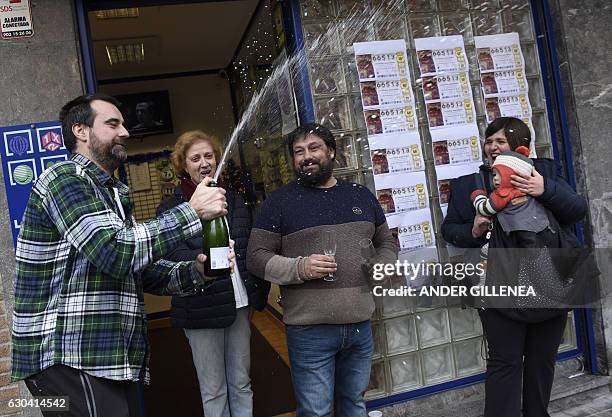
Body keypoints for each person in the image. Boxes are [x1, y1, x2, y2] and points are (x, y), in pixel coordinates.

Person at [11, 93, 230, 417]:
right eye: (112, 123)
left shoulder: (110, 193)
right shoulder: (64, 179)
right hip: (65, 354)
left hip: (100, 355)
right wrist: (192, 211)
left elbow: (137, 270)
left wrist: (199, 273)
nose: (125, 131)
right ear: (80, 131)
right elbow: (116, 252)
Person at [247, 123, 398, 417]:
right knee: (315, 411)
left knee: (354, 403)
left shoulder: (360, 195)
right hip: (309, 330)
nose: (306, 157)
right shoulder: (279, 202)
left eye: (314, 148)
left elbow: (386, 242)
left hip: (359, 325)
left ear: (331, 152)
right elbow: (255, 257)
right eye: (298, 152)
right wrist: (300, 267)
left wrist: (385, 261)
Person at [441, 117, 588, 417]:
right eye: (489, 141)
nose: (493, 147)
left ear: (521, 146)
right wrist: (473, 229)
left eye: (500, 141)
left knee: (542, 359)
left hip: (550, 281)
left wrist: (544, 188)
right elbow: (449, 230)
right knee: (504, 362)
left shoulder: (544, 171)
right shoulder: (469, 184)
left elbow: (576, 211)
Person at [156, 130, 270, 417]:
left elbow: (249, 245)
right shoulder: (173, 209)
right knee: (214, 390)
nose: (204, 162)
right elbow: (170, 256)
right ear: (183, 164)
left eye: (209, 156)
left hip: (239, 304)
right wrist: (200, 260)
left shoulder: (233, 199)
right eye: (195, 158)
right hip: (200, 308)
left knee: (242, 383)